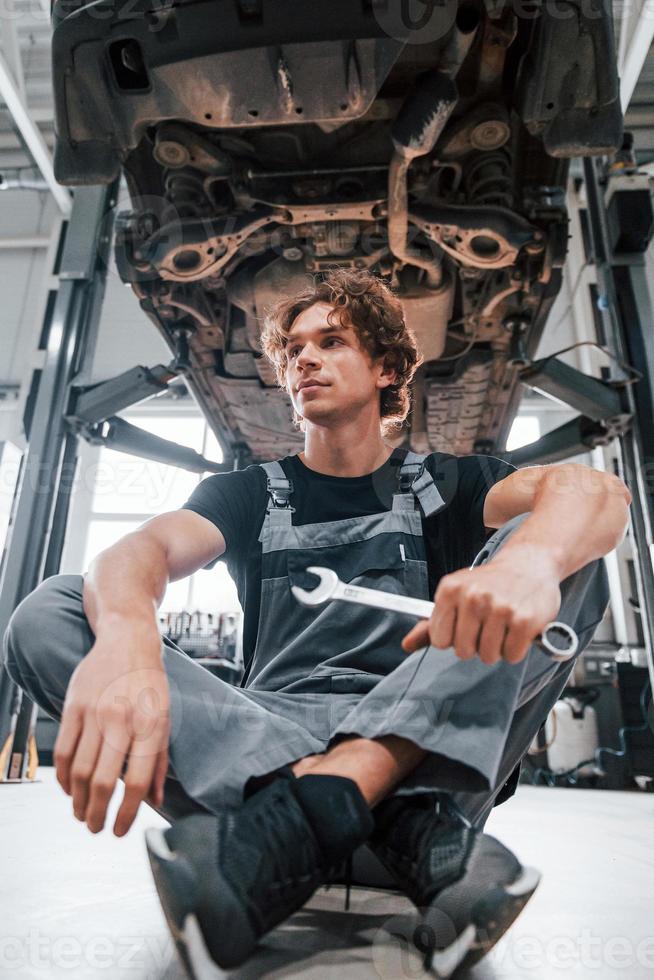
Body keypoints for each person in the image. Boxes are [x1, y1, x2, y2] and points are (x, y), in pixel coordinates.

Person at [3, 269, 630, 978]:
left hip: (408, 770)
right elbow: (136, 552)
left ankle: (333, 795)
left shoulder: (451, 486)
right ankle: (363, 809)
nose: (303, 359)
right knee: (51, 612)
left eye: (331, 341)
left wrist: (529, 565)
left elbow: (594, 491)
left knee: (577, 558)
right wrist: (128, 644)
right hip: (283, 782)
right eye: (293, 348)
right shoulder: (246, 494)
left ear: (388, 367)